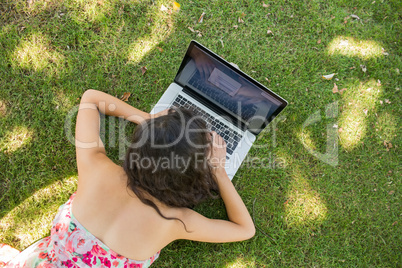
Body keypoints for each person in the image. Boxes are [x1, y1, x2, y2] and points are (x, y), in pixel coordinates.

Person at [6, 89, 255, 267]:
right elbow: (244, 229)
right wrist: (219, 172)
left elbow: (90, 99)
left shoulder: (97, 168)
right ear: (191, 174)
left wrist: (152, 125)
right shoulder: (176, 222)